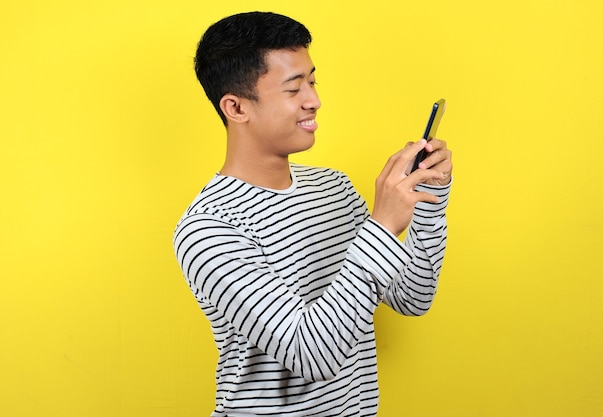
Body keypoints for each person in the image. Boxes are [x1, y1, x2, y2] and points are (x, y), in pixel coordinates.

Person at [173, 11, 453, 417]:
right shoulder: (209, 229)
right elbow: (311, 356)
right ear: (236, 107)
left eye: (312, 81)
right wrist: (384, 224)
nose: (314, 100)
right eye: (293, 89)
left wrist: (427, 199)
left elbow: (412, 297)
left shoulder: (333, 188)